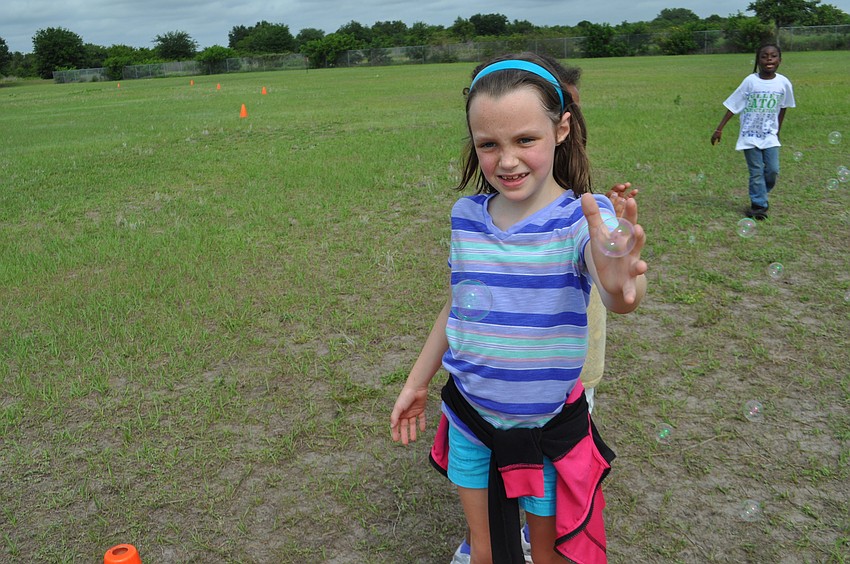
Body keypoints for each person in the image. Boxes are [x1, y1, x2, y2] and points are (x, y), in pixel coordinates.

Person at [390, 52, 647, 564]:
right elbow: (459, 307)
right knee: (484, 551)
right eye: (489, 144)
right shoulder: (467, 216)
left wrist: (616, 284)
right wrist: (416, 382)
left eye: (524, 140)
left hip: (546, 434)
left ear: (561, 129)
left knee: (547, 554)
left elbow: (617, 296)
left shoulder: (580, 220)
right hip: (471, 421)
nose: (506, 160)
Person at [711, 43, 795, 220]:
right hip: (749, 135)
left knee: (772, 170)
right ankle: (759, 206)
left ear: (780, 59)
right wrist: (719, 128)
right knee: (756, 171)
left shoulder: (783, 83)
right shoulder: (750, 81)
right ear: (758, 60)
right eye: (764, 56)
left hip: (770, 135)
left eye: (773, 56)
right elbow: (733, 105)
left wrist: (777, 129)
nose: (769, 59)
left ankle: (761, 193)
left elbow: (784, 107)